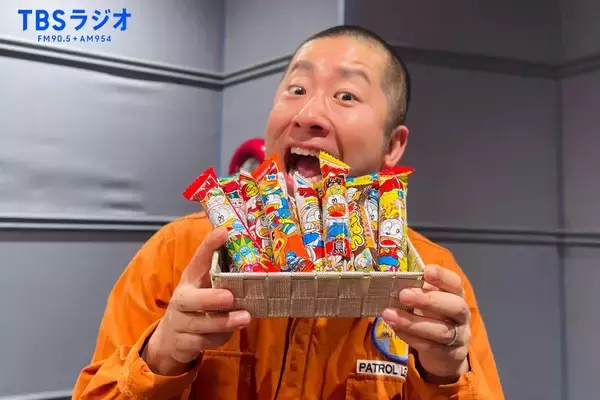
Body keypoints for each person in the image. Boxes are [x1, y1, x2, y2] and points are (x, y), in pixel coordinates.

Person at [73, 25, 505, 399]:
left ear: (392, 145)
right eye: (296, 90)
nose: (308, 114)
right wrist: (161, 355)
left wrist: (444, 376)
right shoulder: (178, 253)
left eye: (346, 95)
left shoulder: (431, 279)